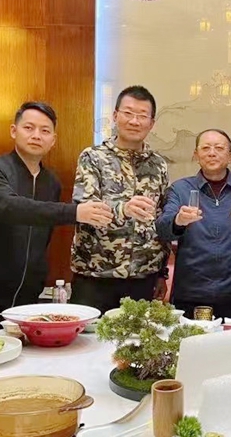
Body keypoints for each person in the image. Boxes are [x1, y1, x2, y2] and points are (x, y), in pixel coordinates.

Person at [0, 102, 113, 335]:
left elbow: (43, 234)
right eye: (29, 128)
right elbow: (9, 207)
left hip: (25, 307)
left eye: (45, 131)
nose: (36, 135)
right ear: (14, 131)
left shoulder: (51, 182)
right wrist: (75, 212)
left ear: (53, 140)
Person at [70, 85, 170, 313]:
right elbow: (85, 210)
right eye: (128, 113)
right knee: (89, 335)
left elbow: (161, 220)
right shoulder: (93, 157)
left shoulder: (158, 165)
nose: (134, 121)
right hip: (95, 276)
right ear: (115, 116)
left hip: (143, 278)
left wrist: (161, 273)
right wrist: (123, 209)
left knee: (138, 336)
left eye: (142, 116)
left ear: (151, 123)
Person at [155, 129, 231, 319]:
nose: (212, 153)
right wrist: (179, 221)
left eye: (219, 148)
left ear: (230, 156)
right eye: (205, 148)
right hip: (189, 295)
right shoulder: (180, 189)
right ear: (196, 155)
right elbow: (163, 230)